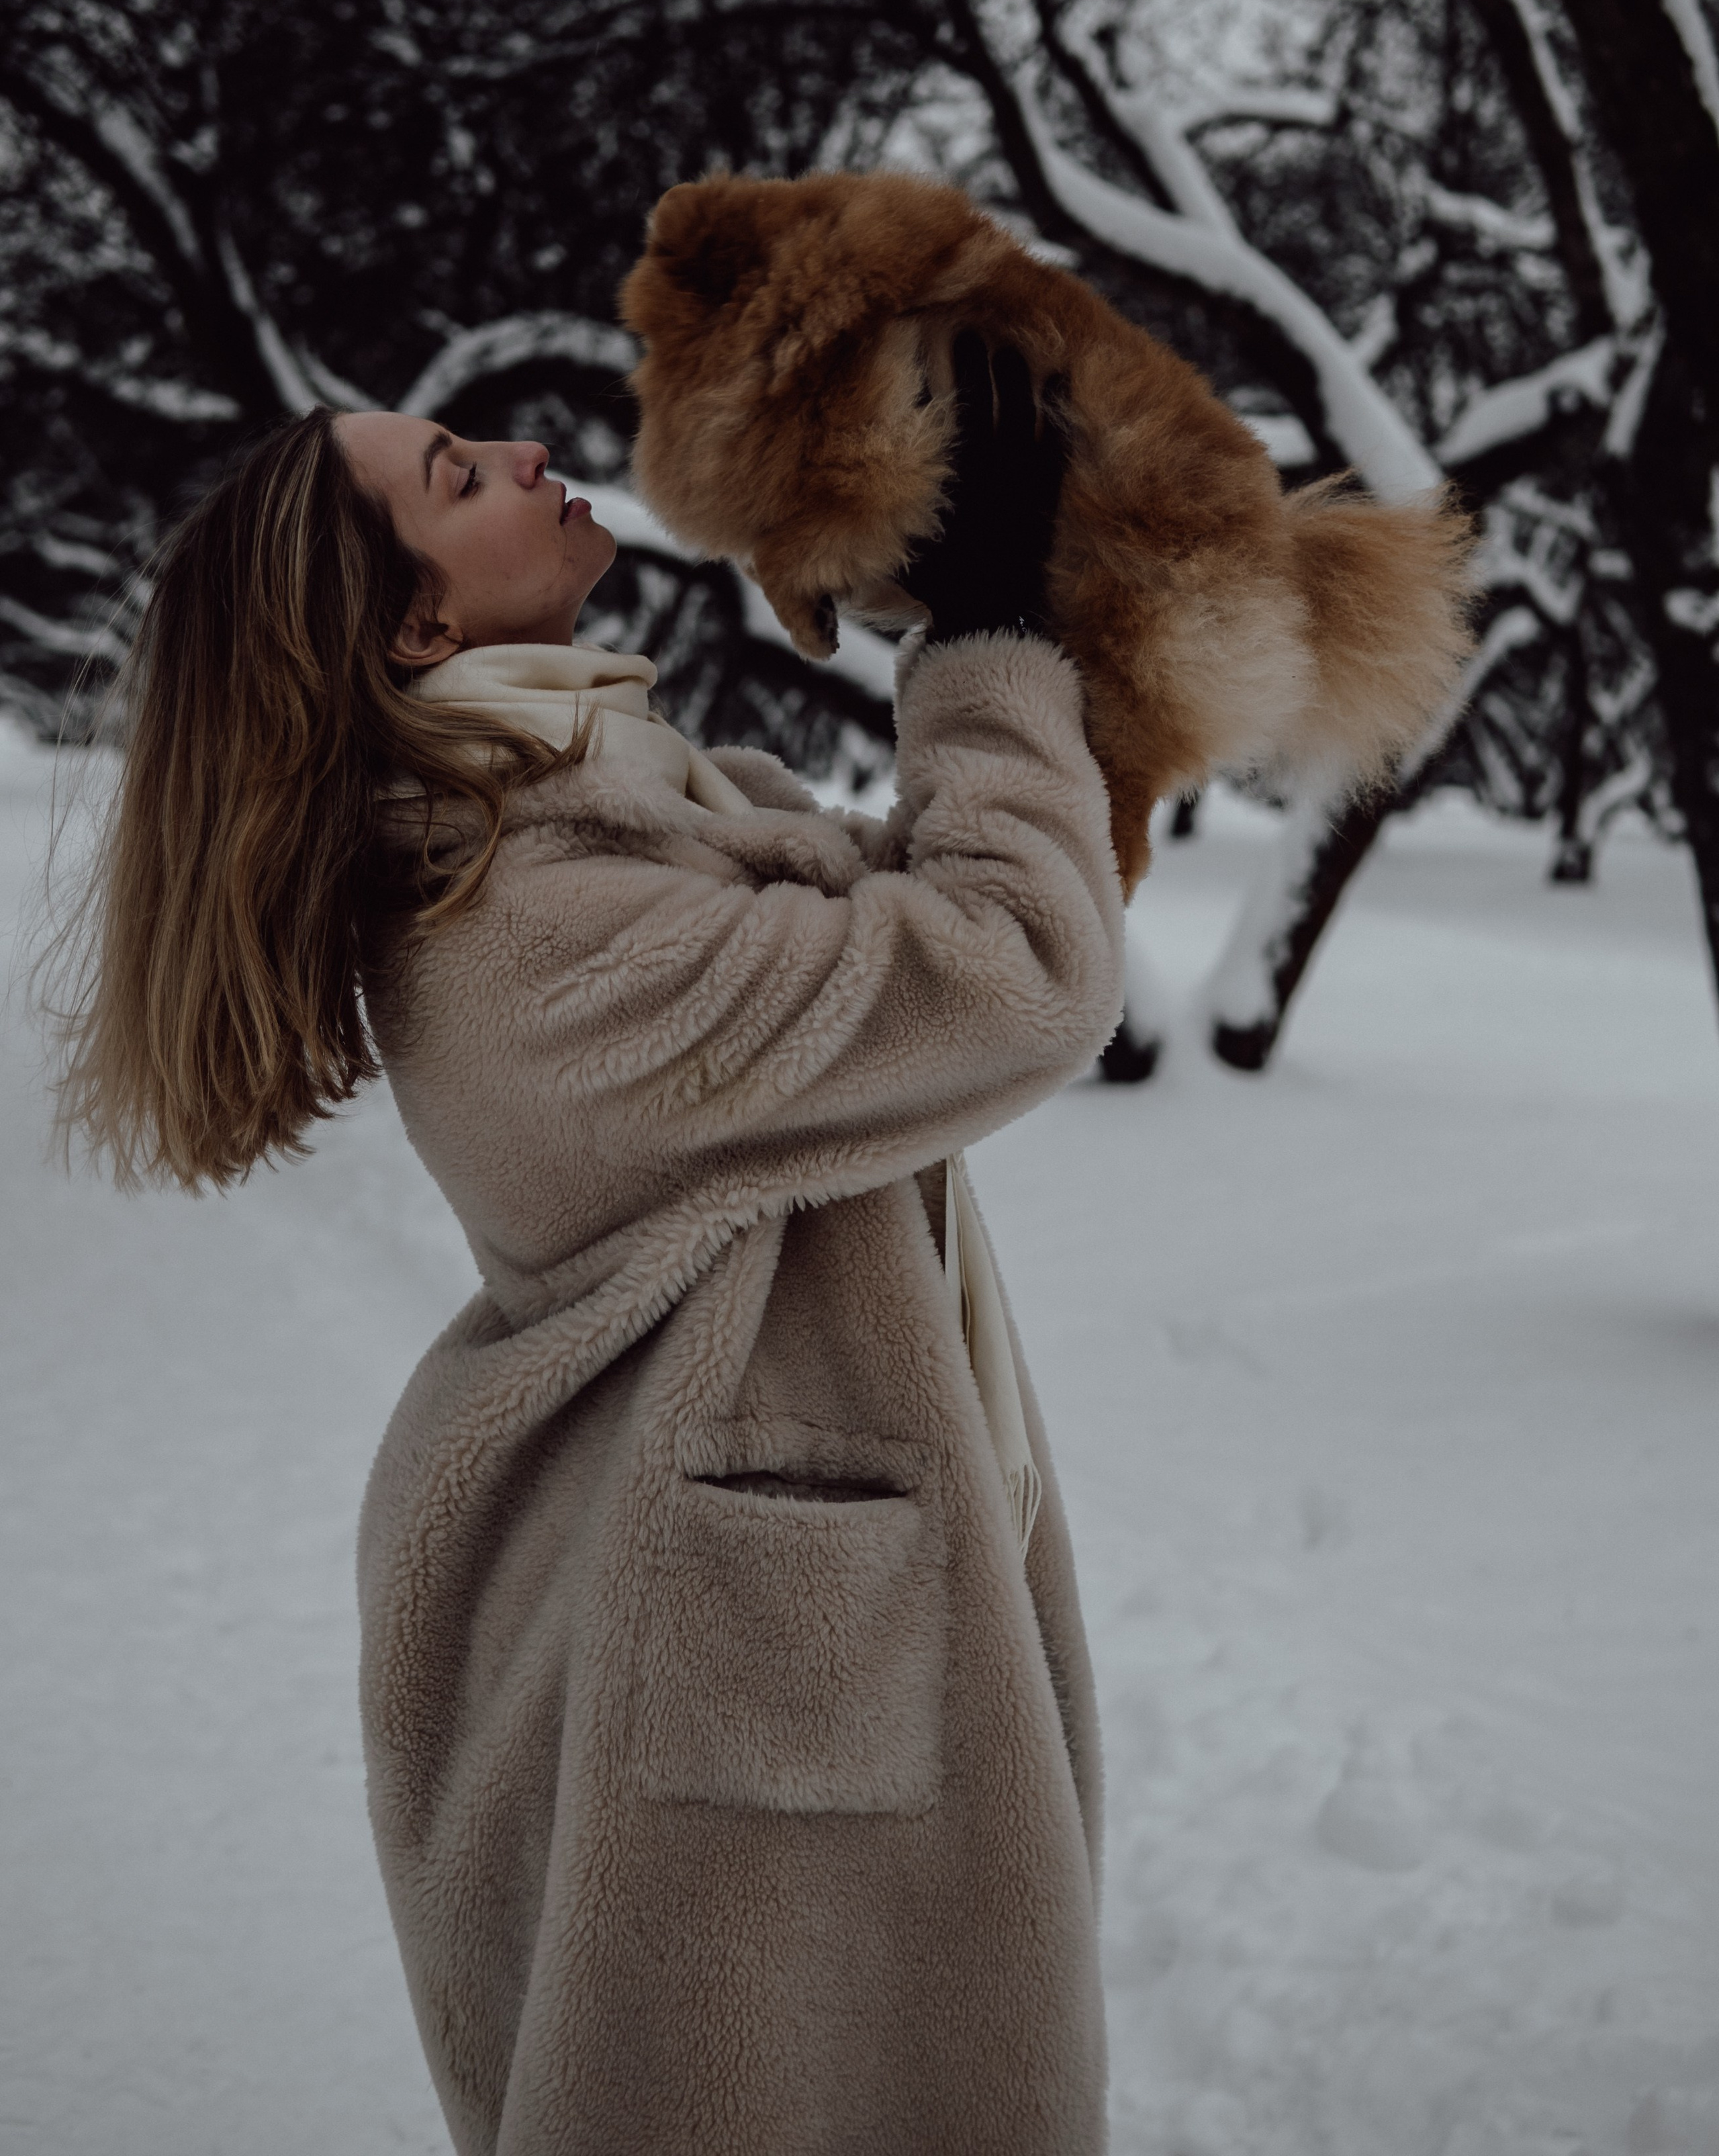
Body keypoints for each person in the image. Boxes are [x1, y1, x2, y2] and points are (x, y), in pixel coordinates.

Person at [53, 335, 1126, 2154]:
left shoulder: (621, 822)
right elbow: (1014, 967)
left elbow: (964, 893)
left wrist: (929, 578)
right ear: (408, 633)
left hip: (781, 1643)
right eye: (455, 476)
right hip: (739, 1695)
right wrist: (988, 636)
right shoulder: (528, 931)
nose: (527, 455)